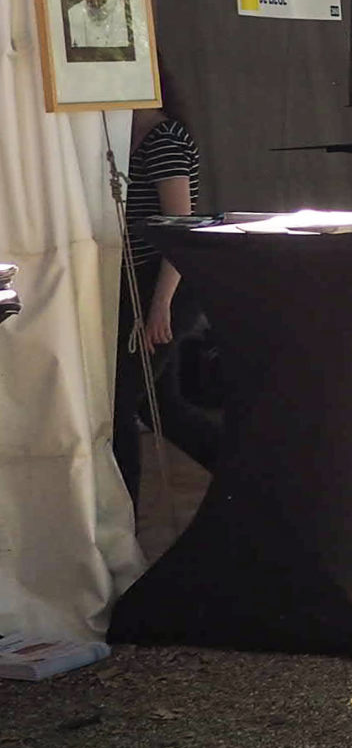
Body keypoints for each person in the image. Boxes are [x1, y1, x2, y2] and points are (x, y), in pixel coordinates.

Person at [116, 84, 221, 501]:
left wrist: (160, 306)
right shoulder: (128, 138)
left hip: (164, 282)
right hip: (138, 282)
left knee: (121, 403)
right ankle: (249, 476)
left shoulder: (165, 139)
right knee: (159, 405)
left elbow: (179, 228)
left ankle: (124, 518)